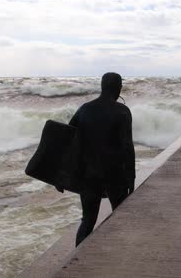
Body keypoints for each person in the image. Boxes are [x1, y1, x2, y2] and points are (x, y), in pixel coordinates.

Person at [67, 72, 135, 246]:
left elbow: (67, 137)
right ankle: (117, 256)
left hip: (88, 174)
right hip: (115, 174)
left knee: (88, 220)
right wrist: (131, 177)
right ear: (119, 87)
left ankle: (76, 260)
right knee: (120, 217)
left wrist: (62, 175)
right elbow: (127, 146)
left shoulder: (85, 108)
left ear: (102, 87)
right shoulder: (122, 111)